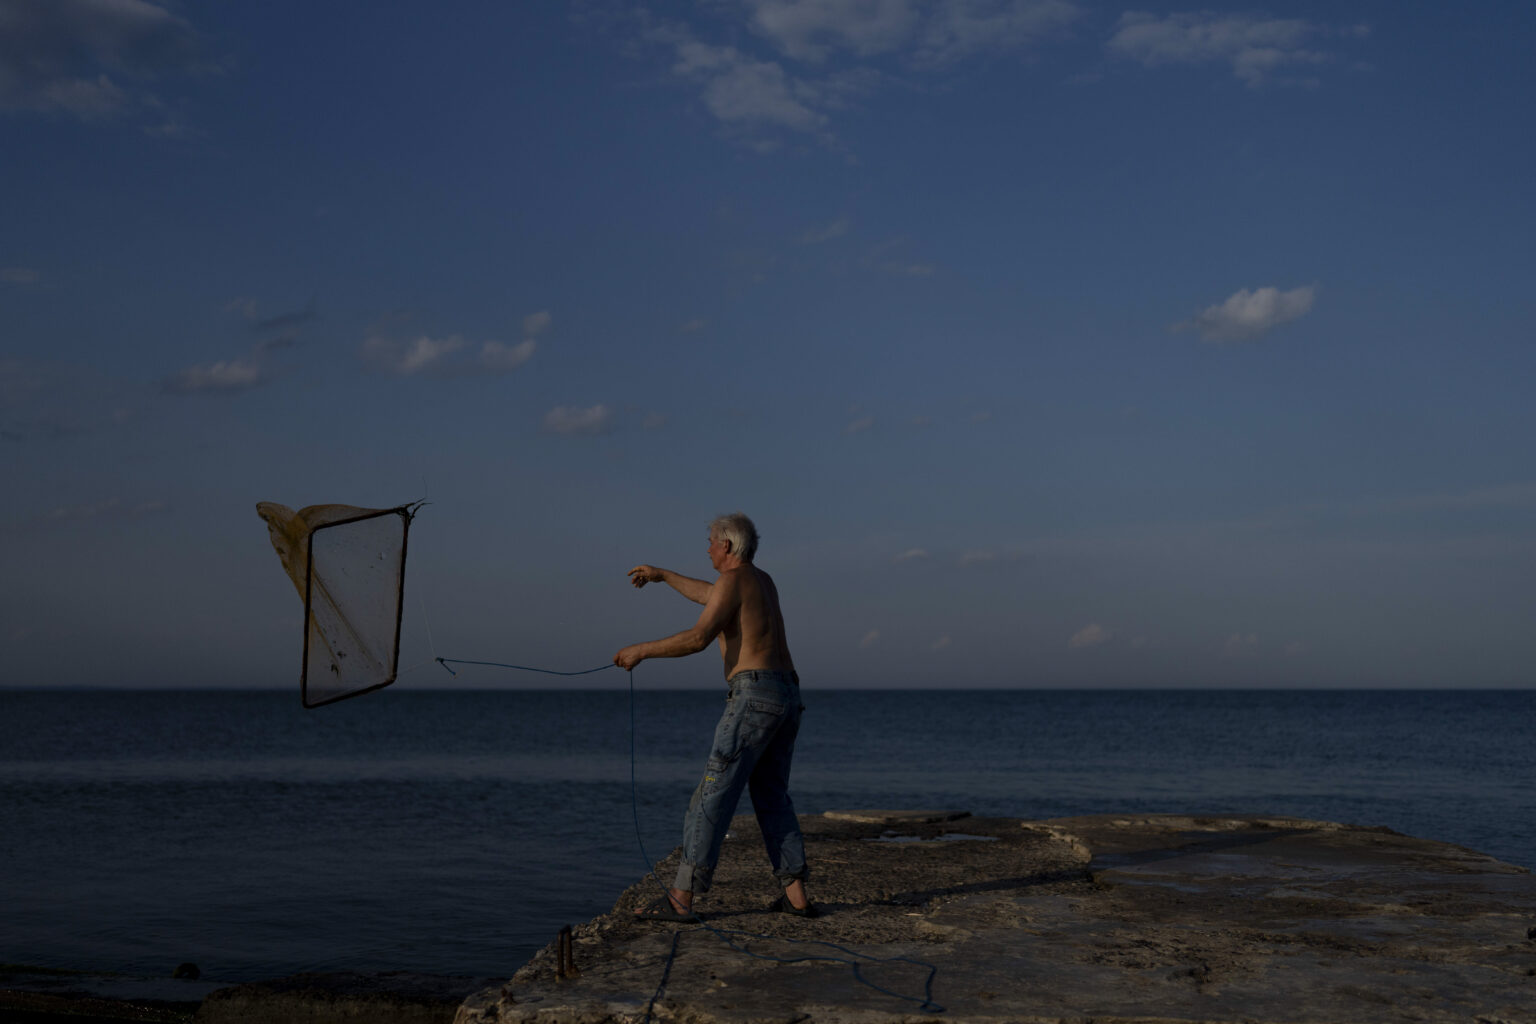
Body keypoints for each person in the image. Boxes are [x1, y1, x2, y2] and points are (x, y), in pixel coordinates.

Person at [614, 512, 814, 920]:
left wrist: (641, 651)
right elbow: (711, 594)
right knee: (773, 797)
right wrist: (663, 575)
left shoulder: (734, 581)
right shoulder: (761, 581)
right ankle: (797, 896)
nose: (706, 548)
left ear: (726, 545)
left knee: (712, 795)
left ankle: (682, 897)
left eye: (709, 541)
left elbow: (698, 637)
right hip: (787, 693)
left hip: (754, 696)